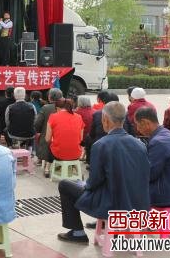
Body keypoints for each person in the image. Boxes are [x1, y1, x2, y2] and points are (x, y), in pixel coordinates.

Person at [56, 102, 150, 244]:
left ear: (105, 119)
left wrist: (85, 185)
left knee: (65, 184)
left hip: (111, 204)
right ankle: (114, 230)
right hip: (138, 203)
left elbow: (94, 182)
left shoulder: (101, 145)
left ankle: (77, 232)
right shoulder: (140, 144)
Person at [45, 98, 84, 176]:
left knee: (50, 145)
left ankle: (47, 169)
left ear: (57, 108)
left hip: (59, 154)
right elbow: (81, 138)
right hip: (76, 154)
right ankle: (77, 170)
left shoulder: (53, 116)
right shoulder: (79, 117)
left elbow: (47, 139)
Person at [34, 88, 63, 170]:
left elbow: (37, 123)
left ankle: (40, 159)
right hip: (62, 137)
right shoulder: (65, 107)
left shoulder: (45, 108)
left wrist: (38, 131)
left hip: (48, 138)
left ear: (50, 97)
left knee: (40, 137)